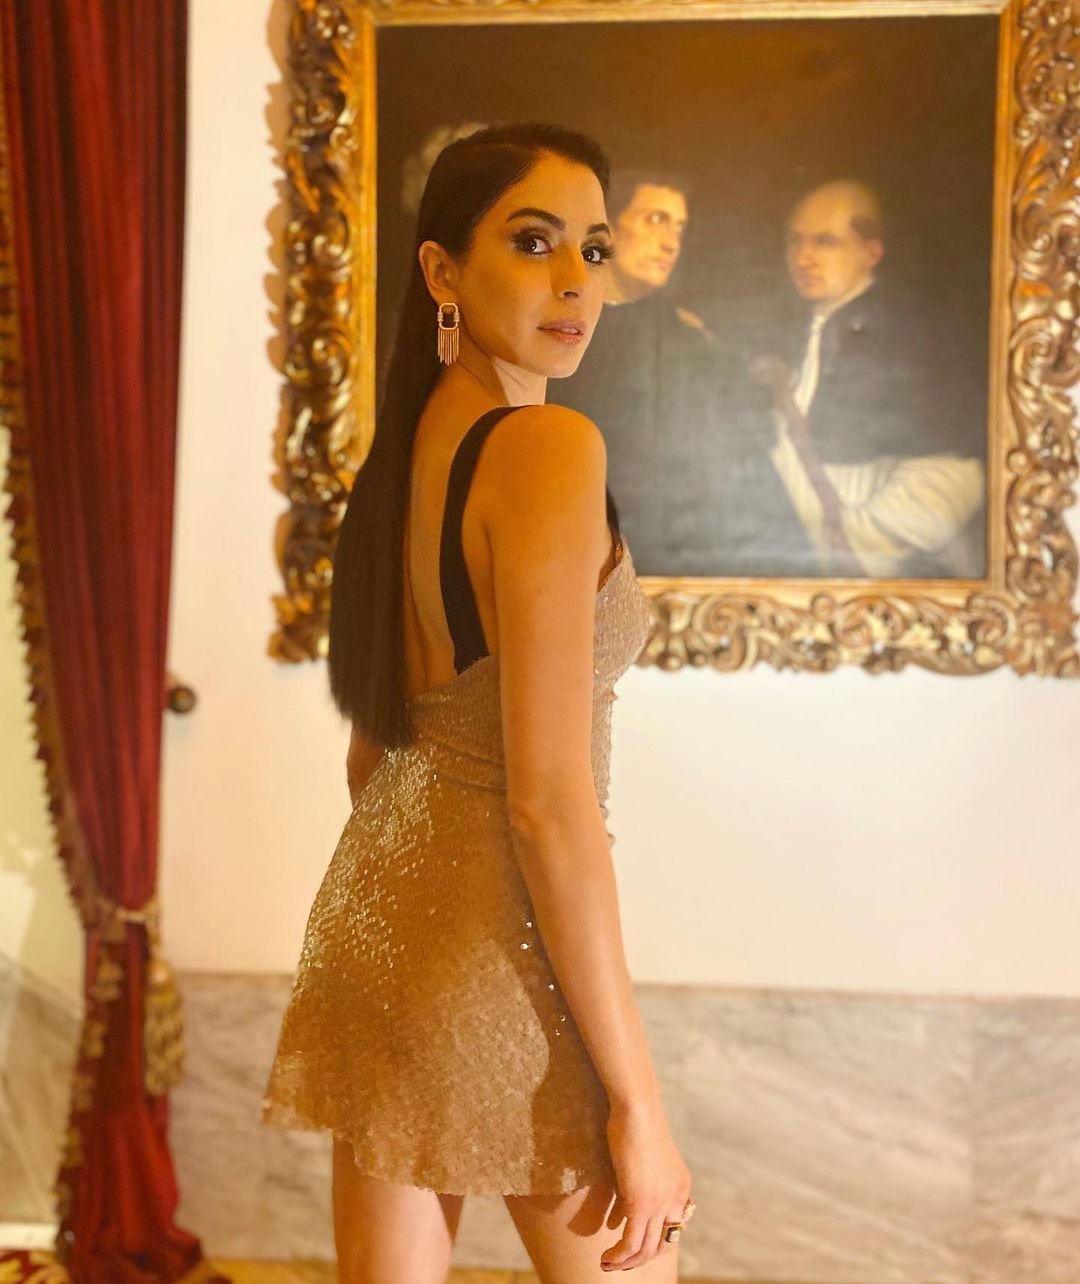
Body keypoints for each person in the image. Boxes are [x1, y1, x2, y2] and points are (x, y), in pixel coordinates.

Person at [261, 123, 694, 1283]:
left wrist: (423, 907)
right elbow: (549, 805)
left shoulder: (399, 458)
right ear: (443, 271)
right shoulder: (547, 449)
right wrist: (639, 1101)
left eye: (593, 249)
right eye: (534, 241)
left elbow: (372, 762)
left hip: (378, 923)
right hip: (500, 955)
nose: (575, 280)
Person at [747, 179, 985, 578]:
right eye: (794, 242)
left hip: (883, 544)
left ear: (871, 252)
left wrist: (860, 534)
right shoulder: (781, 331)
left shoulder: (909, 336)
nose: (803, 258)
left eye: (825, 242)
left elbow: (957, 472)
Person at [558, 168, 725, 575]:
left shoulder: (689, 339)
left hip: (664, 551)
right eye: (655, 220)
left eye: (679, 228)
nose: (670, 242)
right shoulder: (558, 328)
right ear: (608, 227)